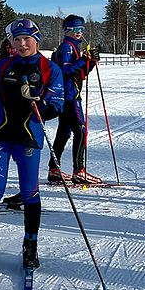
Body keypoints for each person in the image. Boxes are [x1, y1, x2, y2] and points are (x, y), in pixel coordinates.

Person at [0, 18, 64, 269]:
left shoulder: (49, 69)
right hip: (0, 136)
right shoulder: (3, 66)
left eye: (27, 39)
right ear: (10, 42)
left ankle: (30, 244)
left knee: (29, 191)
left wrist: (38, 102)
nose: (22, 44)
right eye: (17, 39)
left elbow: (57, 106)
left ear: (36, 39)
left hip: (28, 138)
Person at [48, 14, 99, 184]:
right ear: (67, 30)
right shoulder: (67, 47)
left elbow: (80, 73)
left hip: (69, 93)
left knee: (64, 132)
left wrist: (91, 61)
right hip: (69, 96)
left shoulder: (74, 46)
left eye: (82, 29)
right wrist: (84, 59)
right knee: (80, 130)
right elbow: (66, 70)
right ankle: (79, 170)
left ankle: (54, 169)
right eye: (76, 29)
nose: (79, 32)